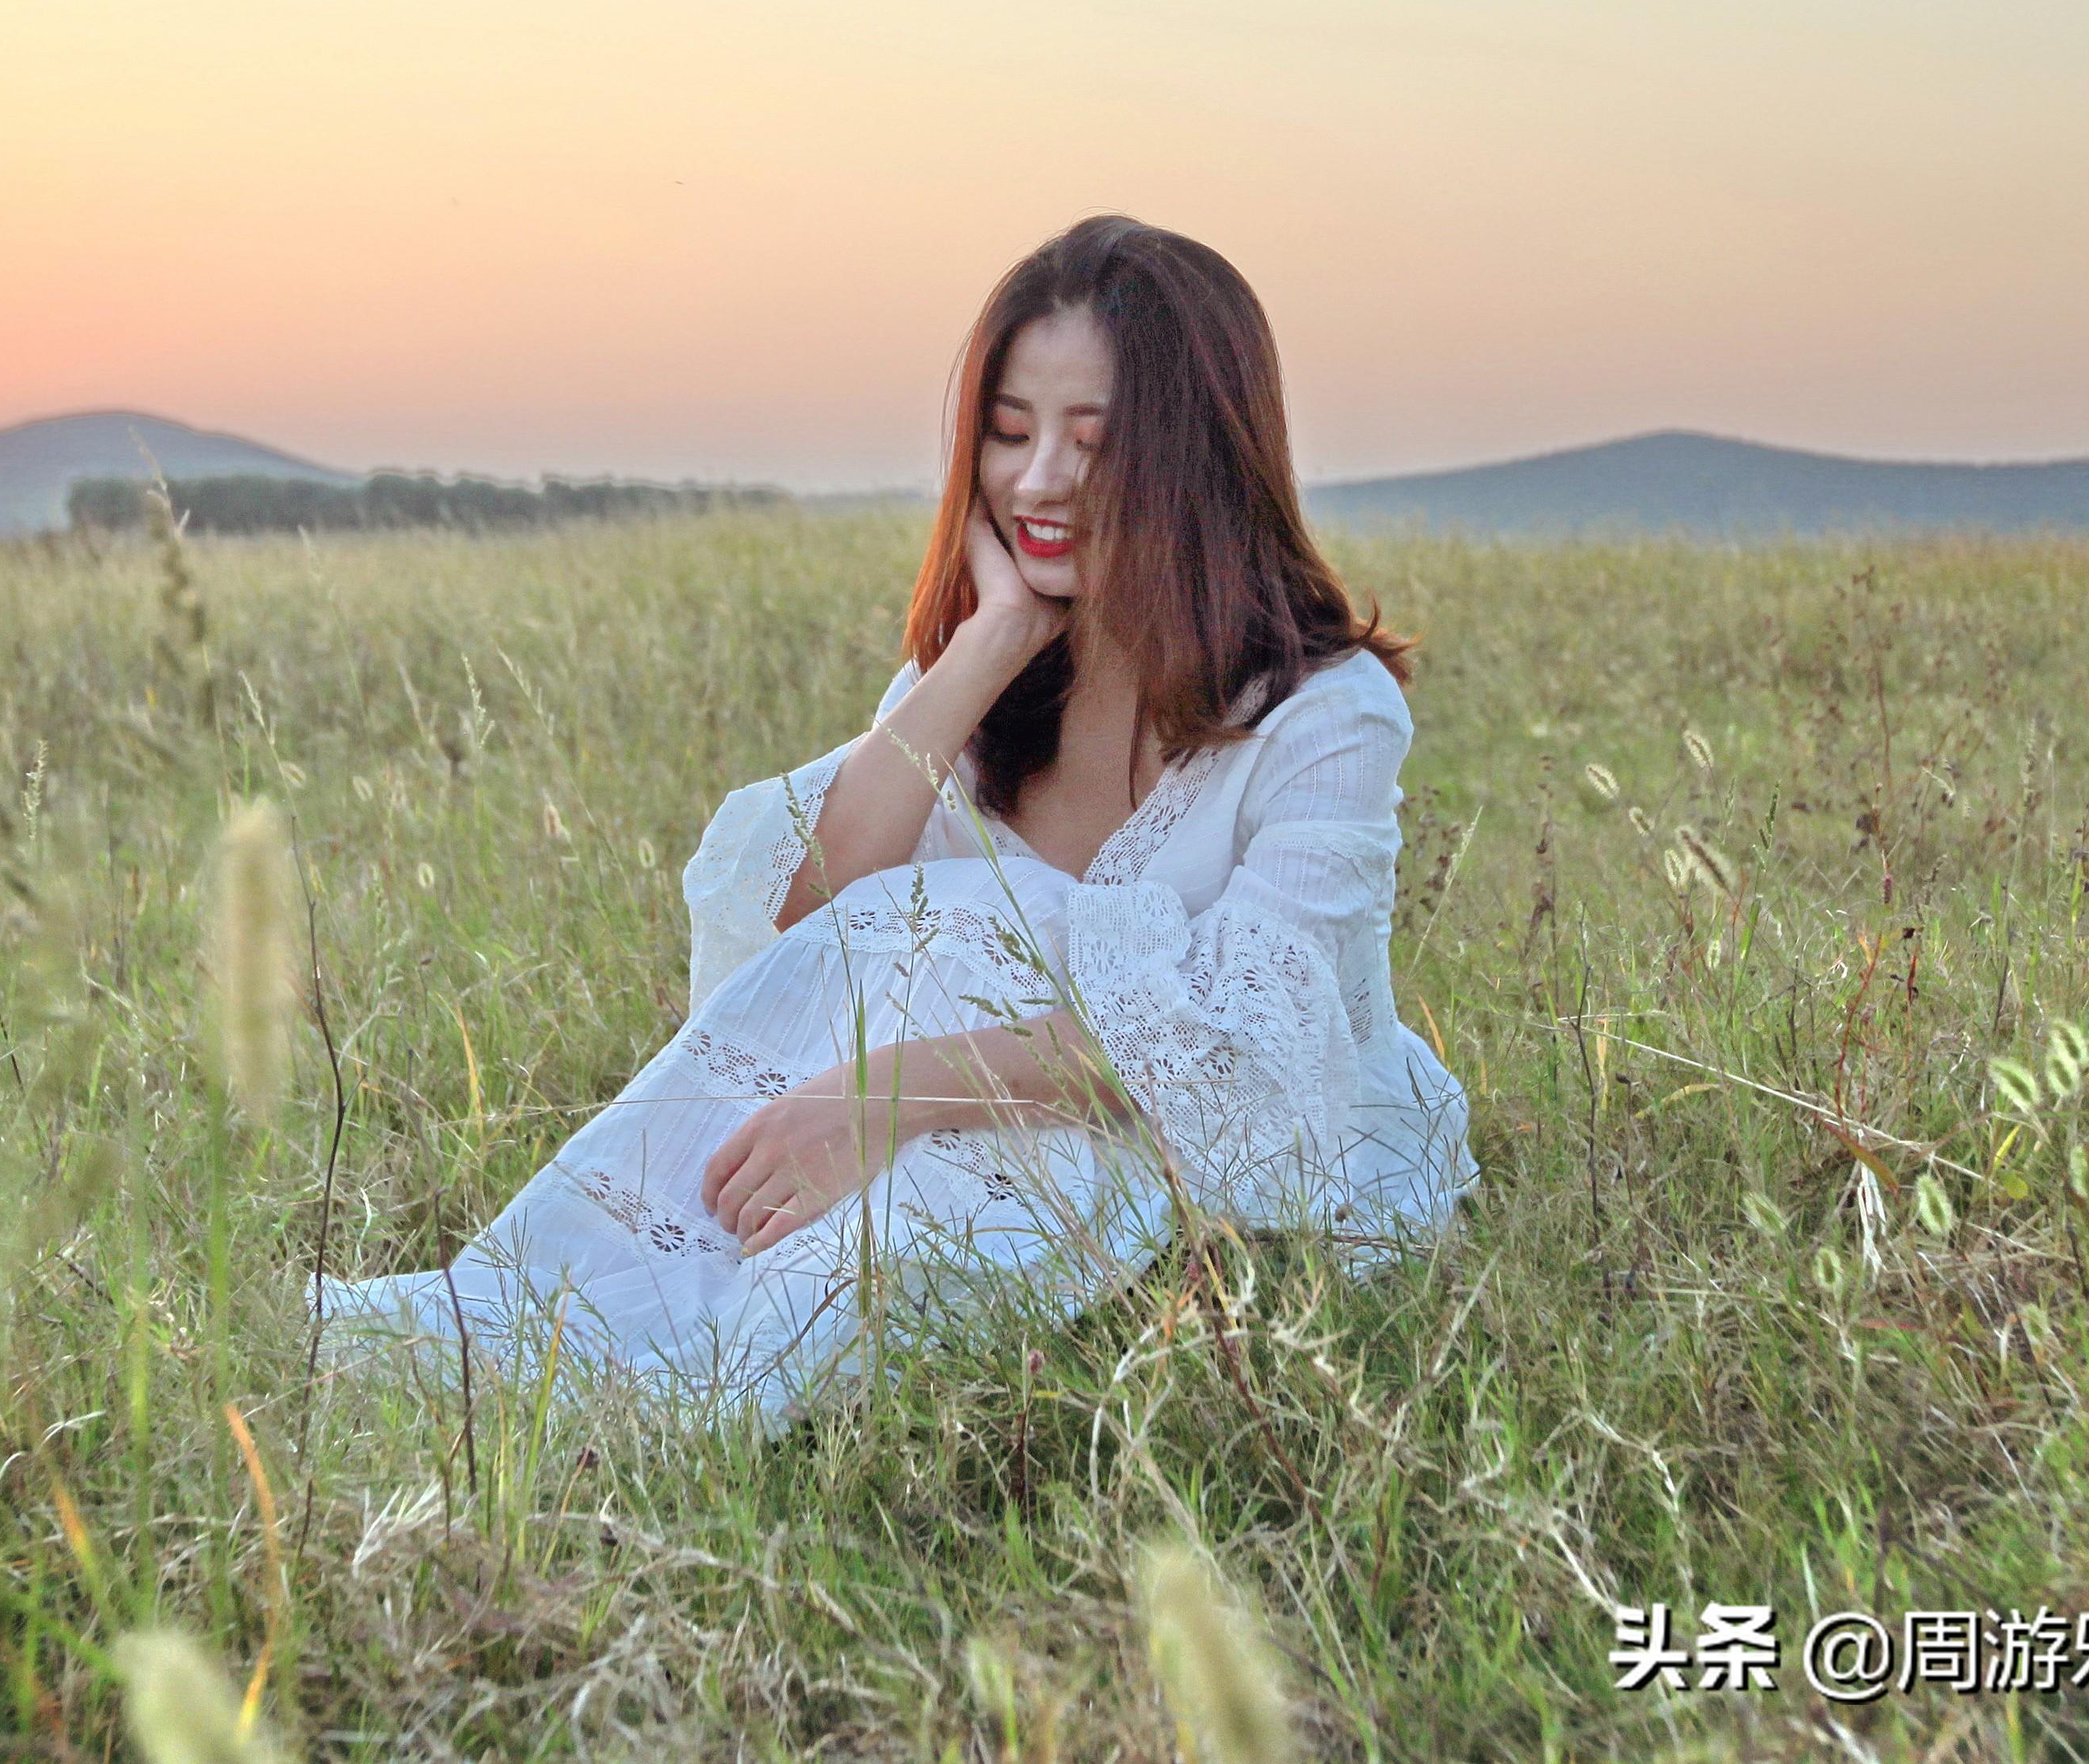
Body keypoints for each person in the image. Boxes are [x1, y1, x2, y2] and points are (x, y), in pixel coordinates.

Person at [315, 217, 1480, 1428]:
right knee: (902, 972)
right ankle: (534, 1334)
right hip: (968, 1133)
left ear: (1201, 453)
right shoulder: (980, 684)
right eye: (1011, 431)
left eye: (1098, 440)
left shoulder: (1325, 714)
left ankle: (693, 1392)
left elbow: (1247, 1049)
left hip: (1245, 1174)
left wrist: (893, 1090)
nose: (1038, 482)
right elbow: (814, 933)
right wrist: (988, 645)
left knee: (974, 935)